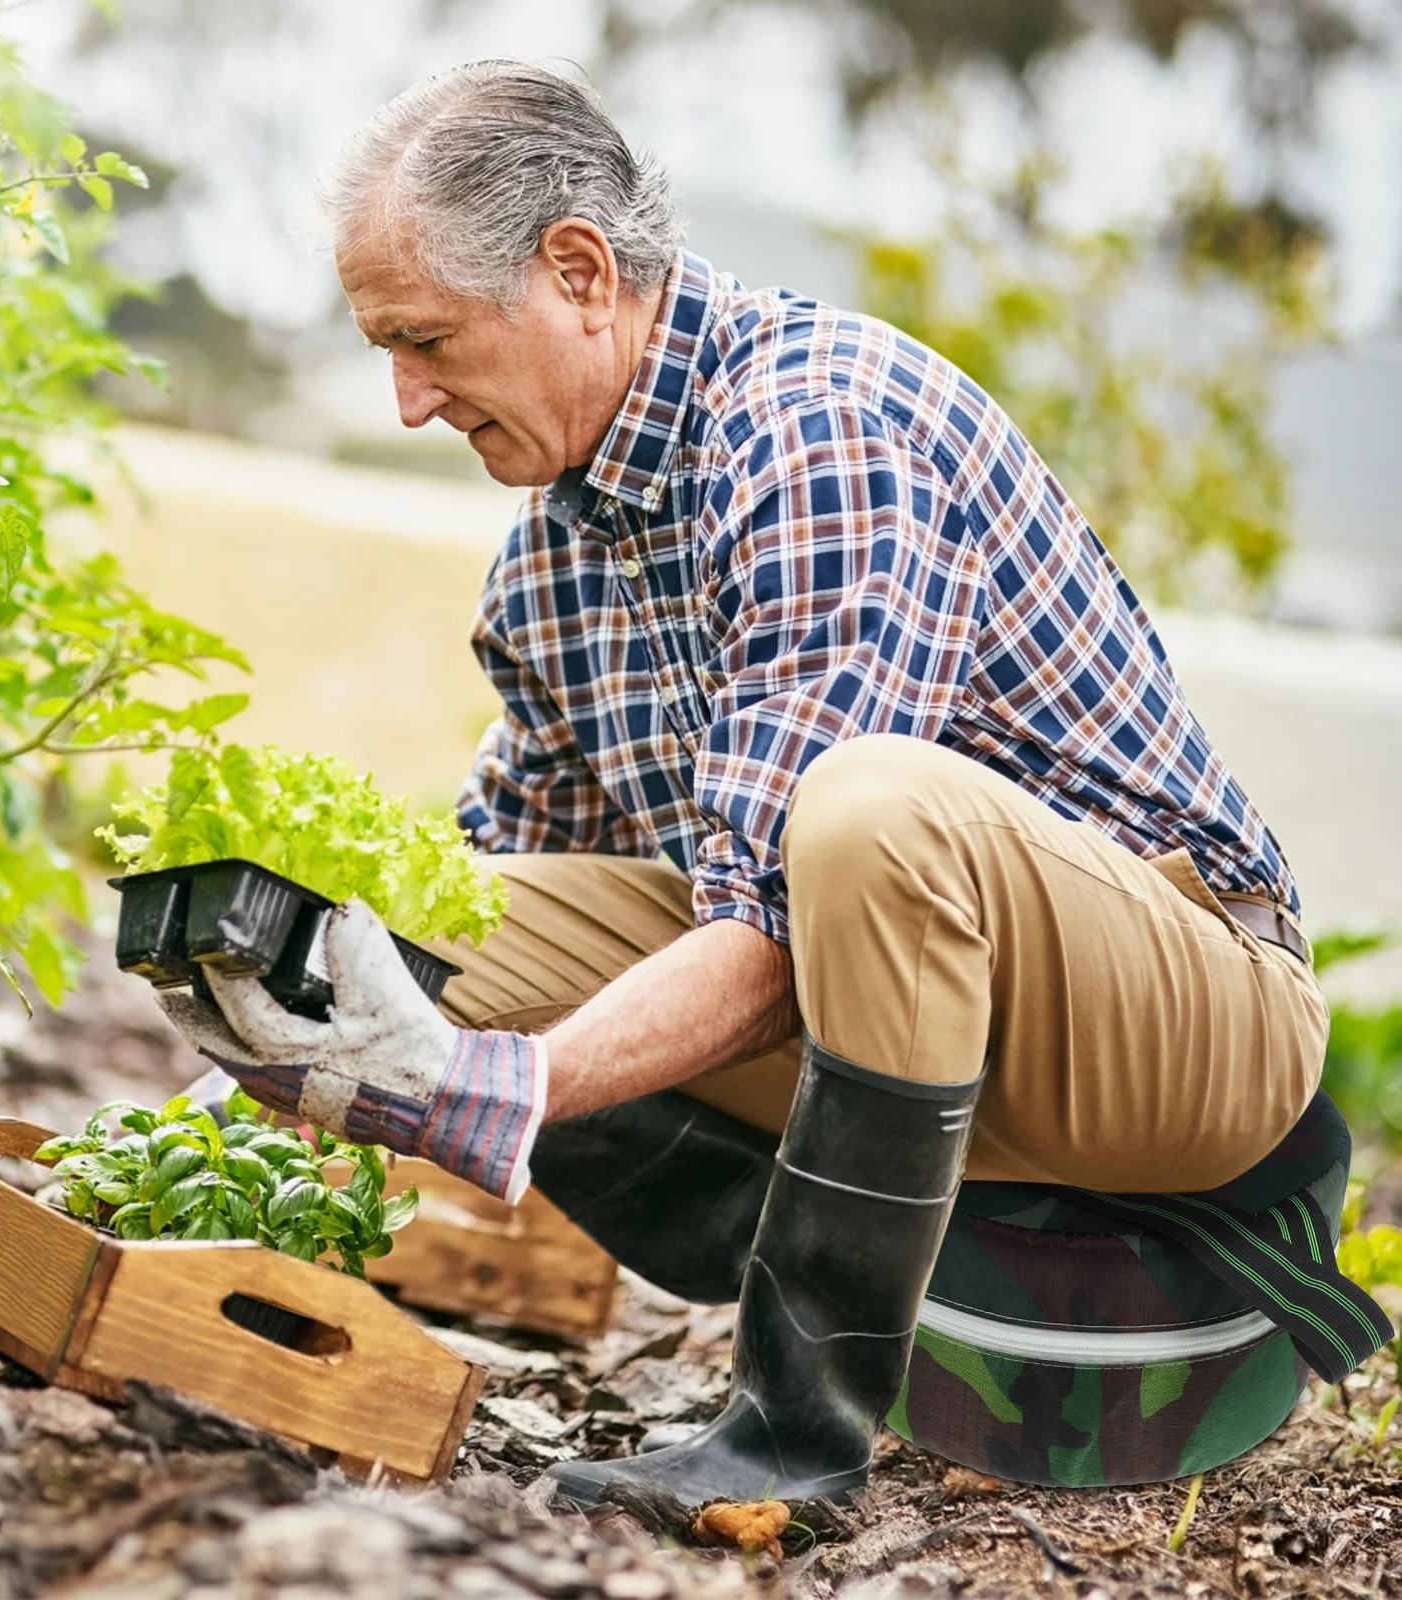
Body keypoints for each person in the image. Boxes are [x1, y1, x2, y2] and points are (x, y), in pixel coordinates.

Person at [160, 60, 1334, 1506]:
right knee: (407, 911)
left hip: (1176, 1039)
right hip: (904, 1035)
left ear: (579, 272)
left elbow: (790, 912)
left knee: (867, 811)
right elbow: (499, 917)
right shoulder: (551, 558)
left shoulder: (818, 427)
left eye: (426, 340)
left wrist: (503, 1090)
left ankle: (795, 1436)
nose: (406, 401)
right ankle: (862, 1262)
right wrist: (243, 1061)